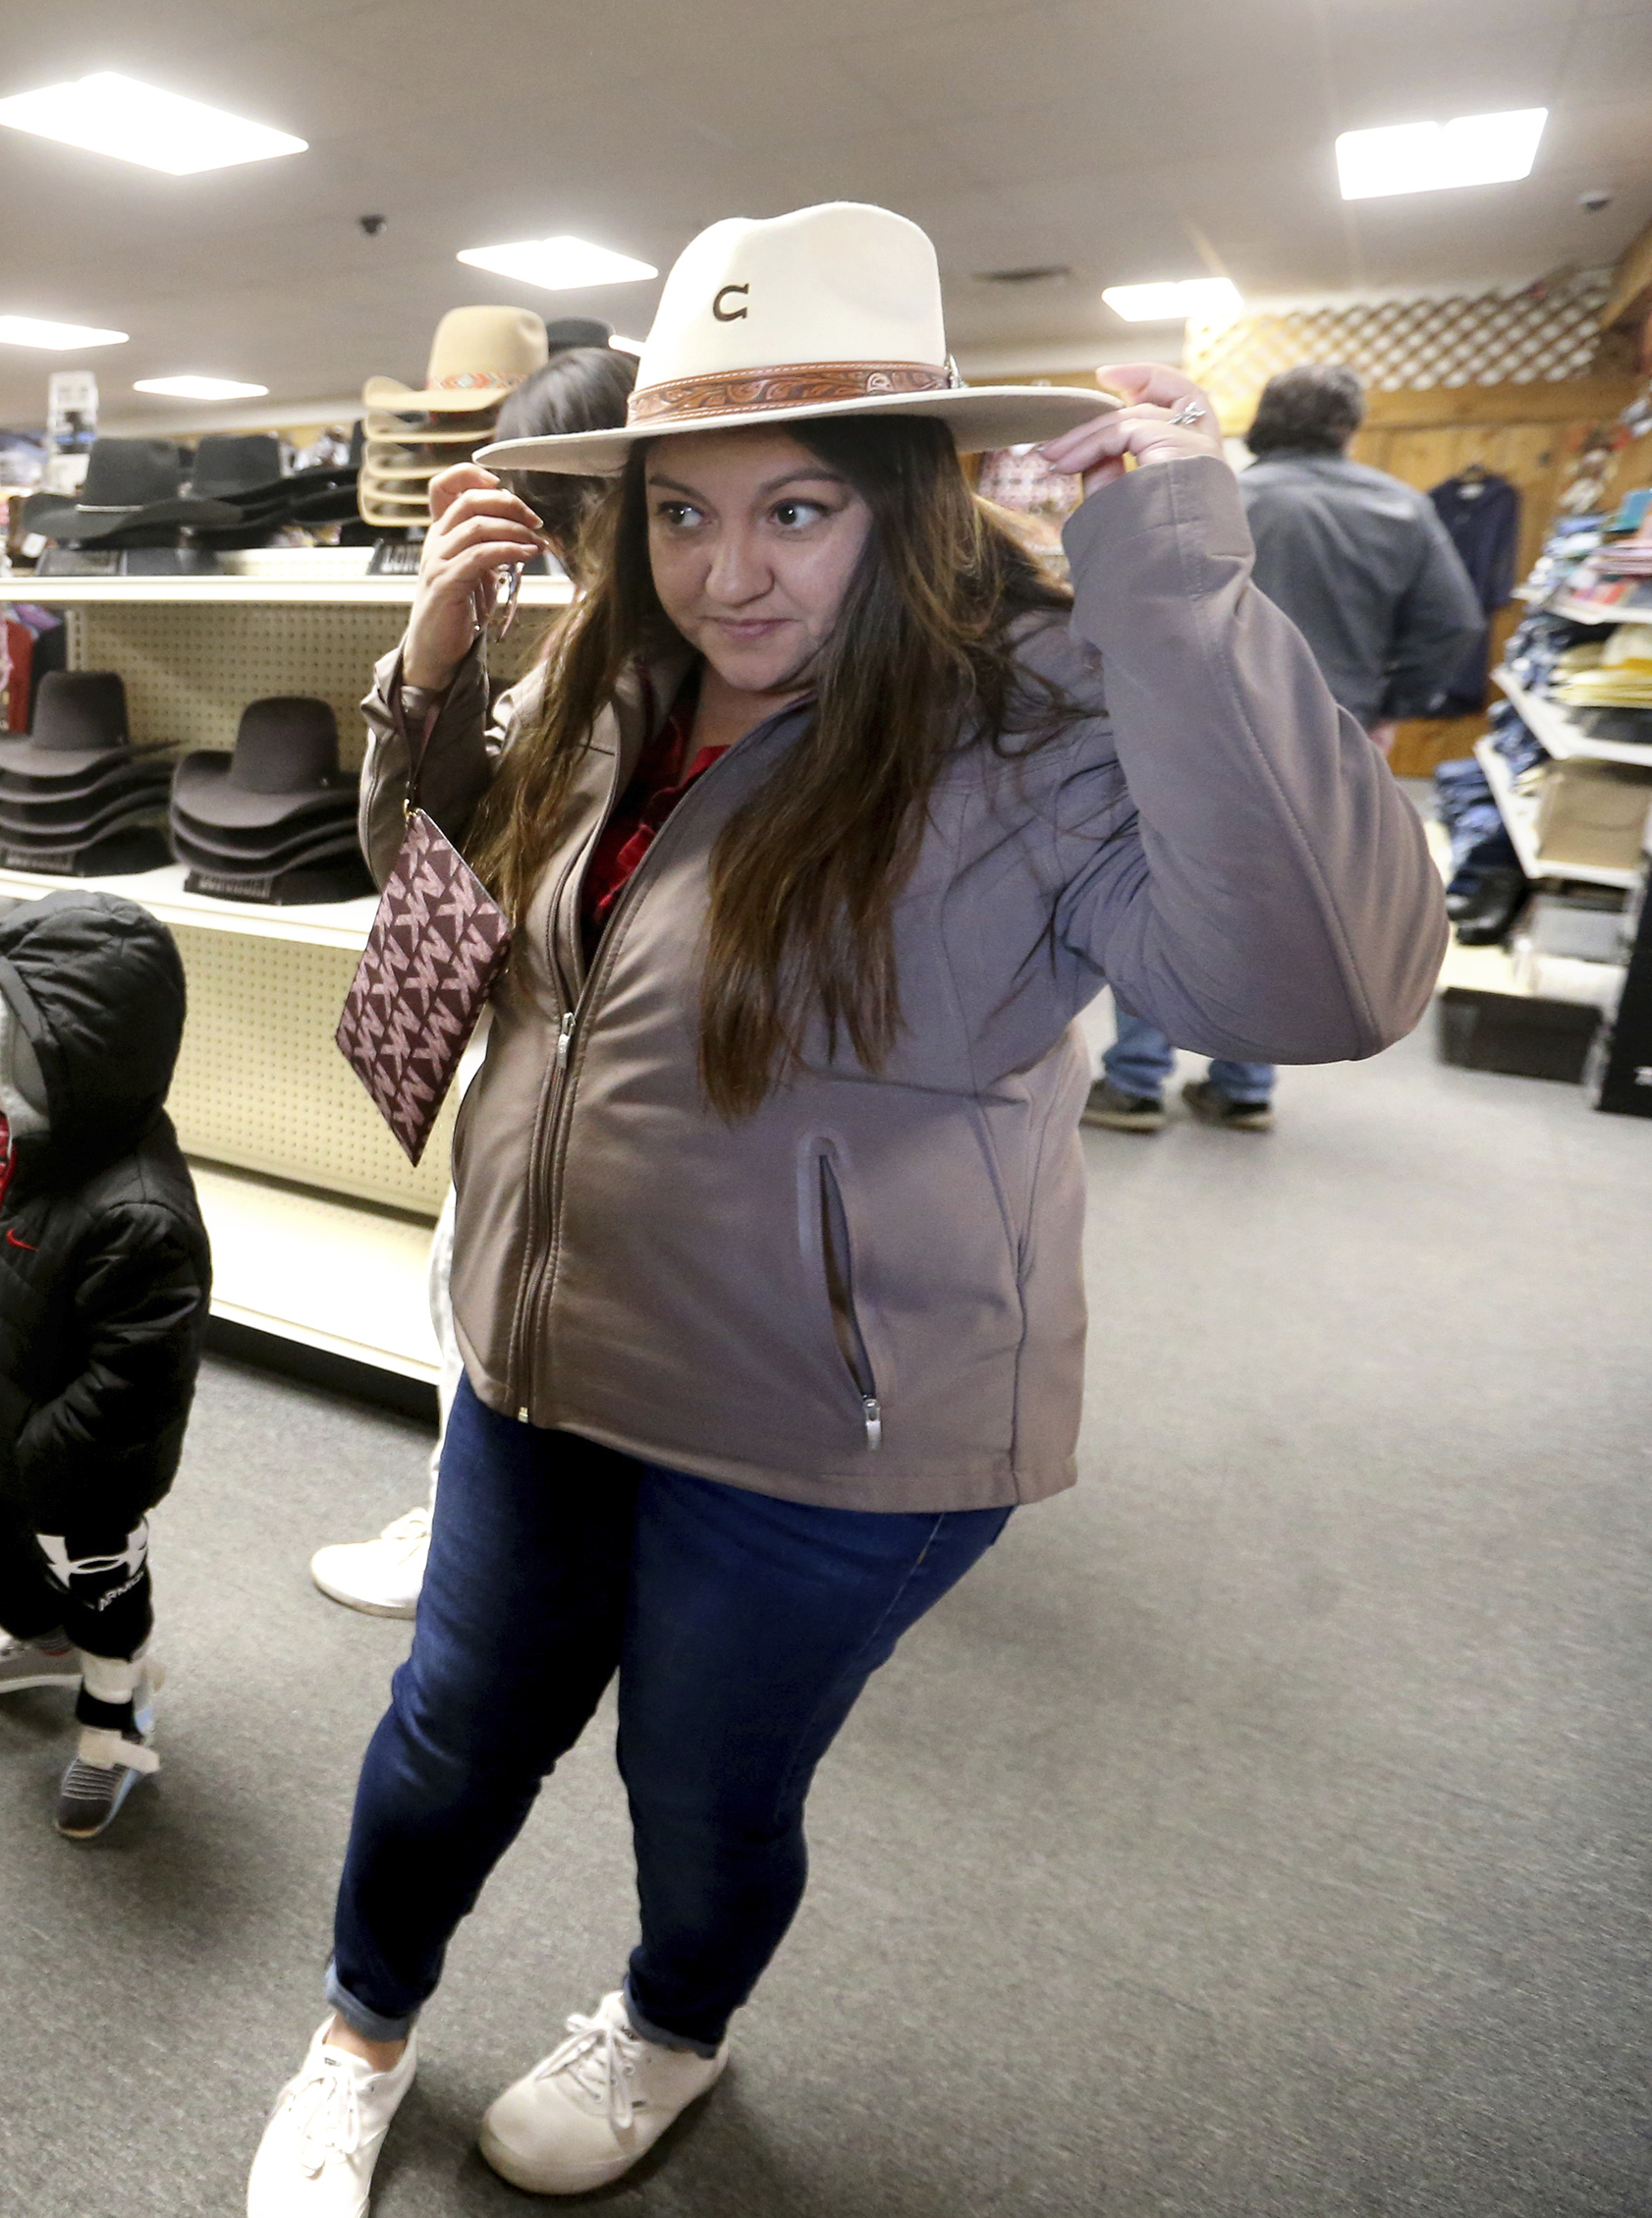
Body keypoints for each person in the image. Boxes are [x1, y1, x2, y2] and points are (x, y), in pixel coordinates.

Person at [241, 202, 1443, 2217]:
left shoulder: (1030, 725)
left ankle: (665, 2023)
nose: (731, 572)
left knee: (701, 1790)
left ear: (905, 498)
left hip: (830, 1419)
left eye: (794, 508)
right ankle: (358, 2032)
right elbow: (441, 900)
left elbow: (1313, 988)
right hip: (533, 1358)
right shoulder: (619, 683)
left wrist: (1167, 582)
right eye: (685, 513)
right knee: (446, 1732)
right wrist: (427, 678)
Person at [310, 344, 640, 1622]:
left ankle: (484, 1537)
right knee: (472, 1293)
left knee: (508, 1307)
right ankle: (476, 1515)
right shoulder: (566, 665)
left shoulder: (697, 667)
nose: (576, 550)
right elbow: (421, 864)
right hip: (531, 1077)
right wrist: (429, 668)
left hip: (602, 1092)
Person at [1084, 360, 1484, 1136]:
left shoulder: (1211, 497)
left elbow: (1136, 602)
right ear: (1348, 426)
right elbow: (1456, 624)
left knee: (1170, 882)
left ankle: (1134, 1082)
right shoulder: (1403, 509)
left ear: (1267, 419)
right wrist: (1393, 704)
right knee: (1297, 891)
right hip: (1329, 730)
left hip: (1194, 729)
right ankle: (1243, 1085)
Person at [0, 893, 211, 1840]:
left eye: (8, 1044)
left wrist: (51, 1465)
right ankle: (50, 1638)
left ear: (80, 1064)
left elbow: (135, 1385)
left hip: (81, 1471)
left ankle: (116, 1711)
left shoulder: (141, 1217)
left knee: (105, 1594)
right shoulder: (31, 1137)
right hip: (6, 1408)